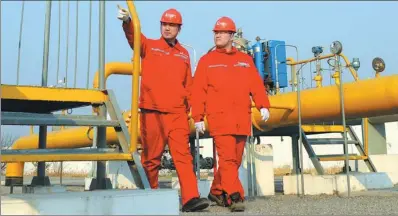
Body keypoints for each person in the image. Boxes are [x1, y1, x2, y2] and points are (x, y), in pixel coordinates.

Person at [117, 6, 209, 212]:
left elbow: (189, 86)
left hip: (177, 114)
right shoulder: (149, 46)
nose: (167, 28)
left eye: (172, 25)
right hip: (152, 111)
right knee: (151, 158)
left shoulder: (184, 54)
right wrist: (127, 22)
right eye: (164, 24)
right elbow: (134, 38)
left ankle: (190, 199)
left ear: (179, 29)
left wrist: (196, 113)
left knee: (184, 157)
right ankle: (150, 196)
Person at [191, 16, 271, 212]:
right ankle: (235, 195)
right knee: (227, 158)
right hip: (220, 118)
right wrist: (198, 117)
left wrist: (263, 105)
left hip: (241, 118)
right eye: (215, 32)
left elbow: (256, 85)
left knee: (234, 160)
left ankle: (216, 191)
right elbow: (198, 91)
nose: (217, 35)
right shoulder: (206, 61)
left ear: (232, 35)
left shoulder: (244, 60)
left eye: (221, 32)